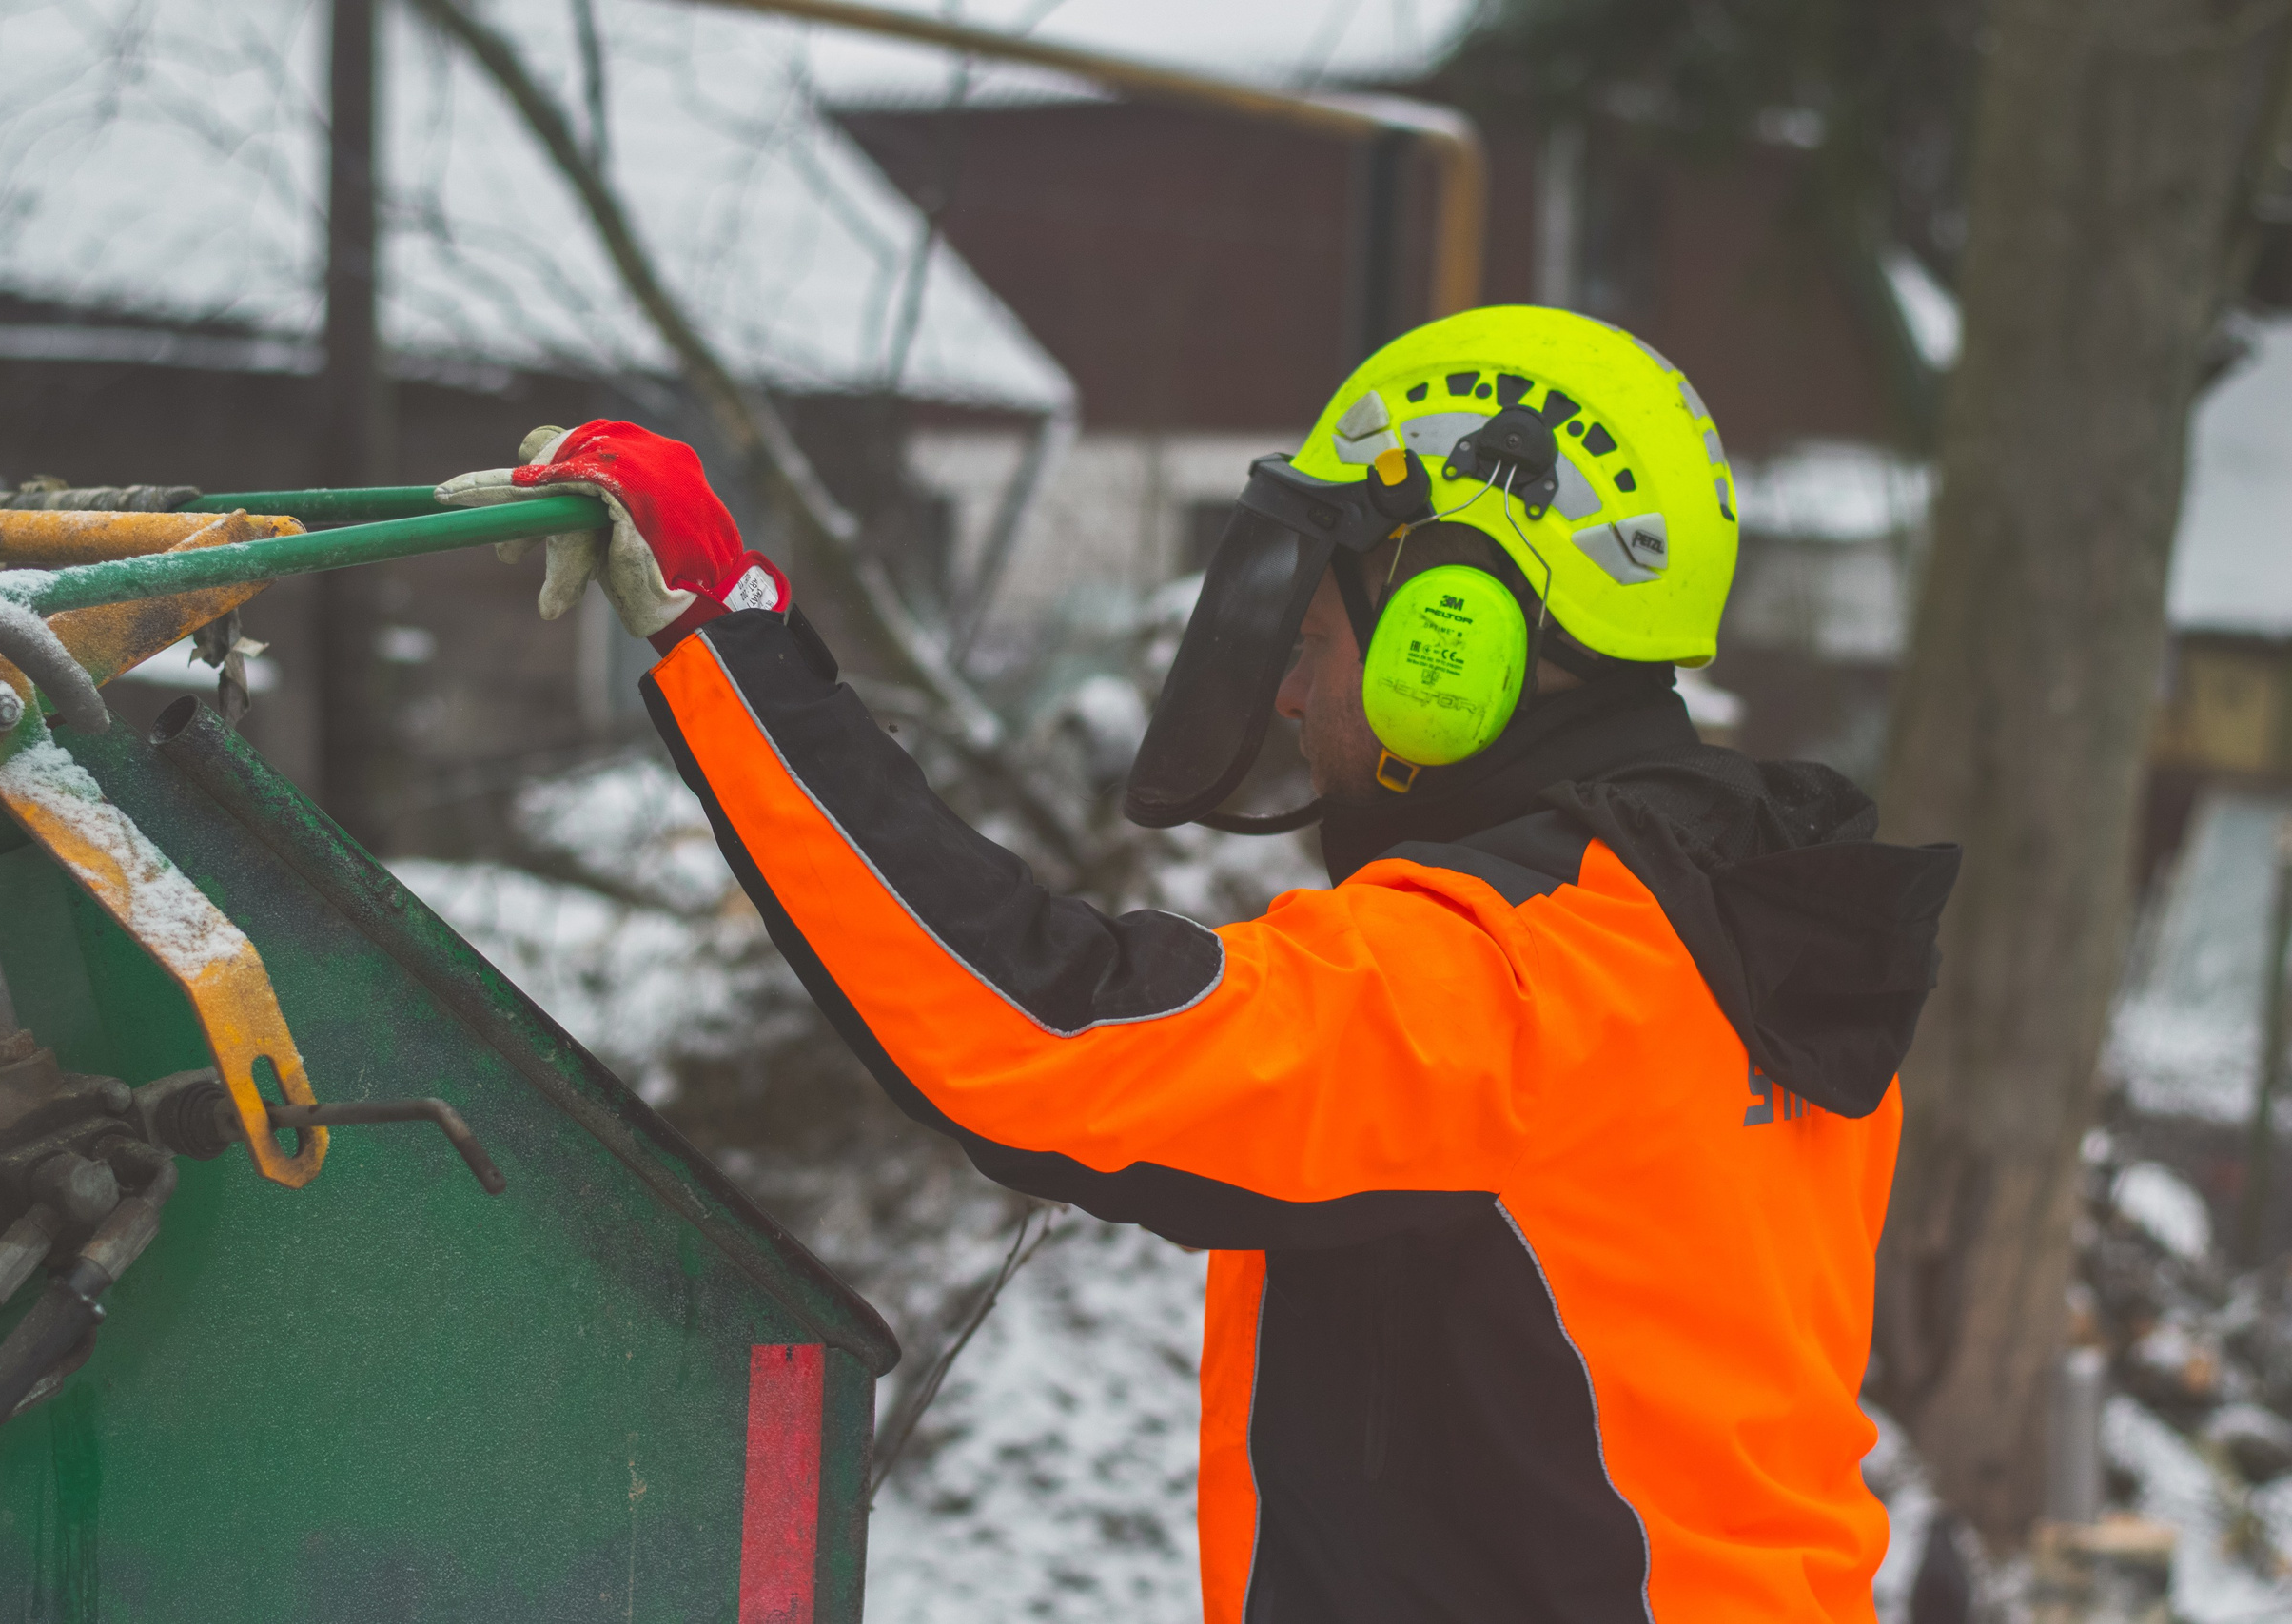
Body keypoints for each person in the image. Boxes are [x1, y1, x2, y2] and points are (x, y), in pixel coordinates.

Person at [442, 305, 1960, 1622]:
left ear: (1461, 635)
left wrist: (726, 635)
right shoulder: (1726, 921)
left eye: (1315, 635)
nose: (1293, 695)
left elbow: (1044, 1033)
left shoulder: (1529, 982)